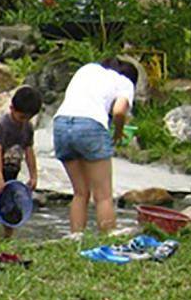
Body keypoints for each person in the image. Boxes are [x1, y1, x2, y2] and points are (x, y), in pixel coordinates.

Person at [51, 58, 140, 236]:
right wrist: (118, 131)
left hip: (61, 124)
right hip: (91, 126)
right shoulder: (125, 82)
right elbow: (119, 111)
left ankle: (76, 236)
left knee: (80, 192)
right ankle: (107, 237)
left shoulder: (87, 69)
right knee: (103, 195)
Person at [0, 86, 43, 240]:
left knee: (10, 204)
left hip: (12, 170)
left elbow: (29, 151)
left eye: (28, 118)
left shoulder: (27, 128)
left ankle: (7, 238)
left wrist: (33, 176)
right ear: (11, 108)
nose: (24, 121)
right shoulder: (1, 125)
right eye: (21, 117)